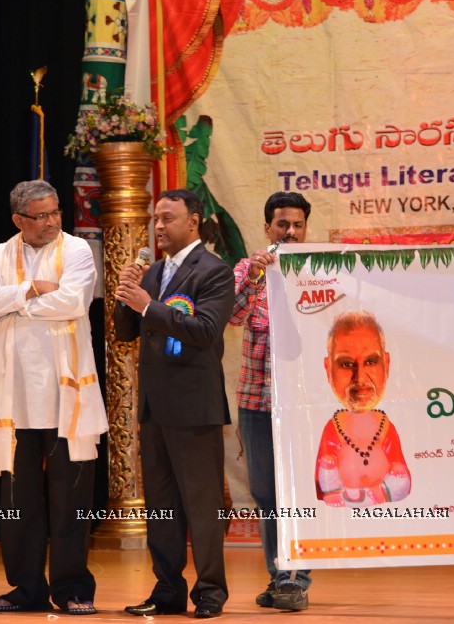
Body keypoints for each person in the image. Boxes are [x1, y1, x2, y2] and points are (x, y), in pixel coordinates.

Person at [0, 180, 108, 616]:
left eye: (55, 212)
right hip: (12, 398)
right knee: (16, 499)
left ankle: (71, 589)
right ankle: (25, 588)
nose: (51, 222)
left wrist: (14, 305)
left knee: (70, 496)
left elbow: (73, 302)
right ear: (18, 221)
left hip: (65, 396)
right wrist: (29, 290)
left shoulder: (78, 251)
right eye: (41, 216)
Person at [114, 188, 235, 619]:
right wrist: (126, 293)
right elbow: (126, 333)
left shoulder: (215, 271)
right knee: (162, 506)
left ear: (193, 222)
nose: (159, 227)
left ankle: (210, 592)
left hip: (194, 407)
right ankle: (167, 590)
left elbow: (204, 331)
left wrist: (150, 306)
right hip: (154, 408)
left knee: (201, 506)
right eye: (156, 219)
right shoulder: (154, 271)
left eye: (167, 218)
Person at [229, 191, 313, 611]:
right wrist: (258, 276)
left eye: (298, 225)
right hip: (256, 401)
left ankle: (294, 581)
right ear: (267, 228)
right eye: (283, 225)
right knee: (265, 492)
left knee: (297, 493)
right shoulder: (249, 269)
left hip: (304, 405)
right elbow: (230, 315)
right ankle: (278, 574)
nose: (291, 232)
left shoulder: (319, 271)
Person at [315, 310, 411, 507]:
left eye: (371, 362)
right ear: (327, 368)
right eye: (346, 364)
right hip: (343, 497)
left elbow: (398, 461)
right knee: (328, 477)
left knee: (400, 482)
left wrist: (397, 471)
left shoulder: (386, 424)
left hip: (382, 497)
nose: (359, 378)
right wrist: (329, 467)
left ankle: (381, 493)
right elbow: (321, 473)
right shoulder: (333, 425)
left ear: (387, 363)